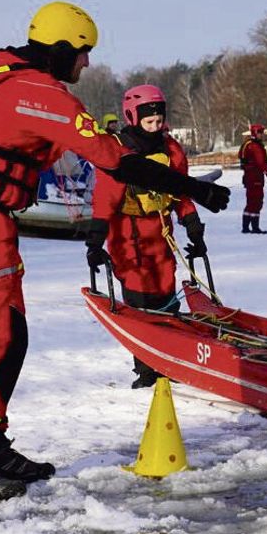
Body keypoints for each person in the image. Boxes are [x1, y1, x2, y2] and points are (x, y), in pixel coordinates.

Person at [0, 1, 229, 483]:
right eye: (82, 52)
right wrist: (195, 190)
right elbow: (117, 163)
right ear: (60, 50)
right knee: (1, 337)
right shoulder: (40, 92)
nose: (87, 62)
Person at [84, 84, 208, 388]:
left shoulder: (171, 150)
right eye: (149, 121)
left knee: (165, 290)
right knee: (140, 296)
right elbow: (105, 199)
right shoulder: (119, 151)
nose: (155, 126)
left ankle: (170, 359)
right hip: (128, 236)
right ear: (132, 117)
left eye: (159, 121)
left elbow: (181, 191)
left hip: (160, 232)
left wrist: (193, 225)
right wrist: (95, 241)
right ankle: (146, 367)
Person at [239, 123, 267, 233]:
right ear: (255, 133)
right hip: (255, 178)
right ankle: (253, 227)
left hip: (250, 177)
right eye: (260, 132)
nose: (262, 134)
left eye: (262, 132)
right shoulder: (255, 146)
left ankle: (247, 227)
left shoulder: (248, 144)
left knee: (252, 202)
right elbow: (261, 163)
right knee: (255, 202)